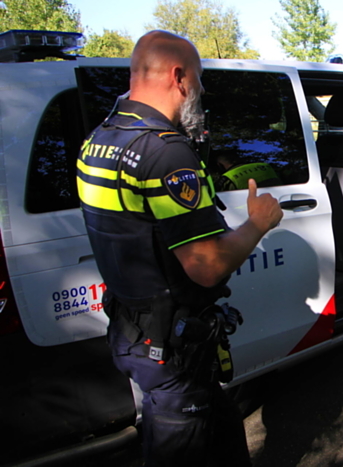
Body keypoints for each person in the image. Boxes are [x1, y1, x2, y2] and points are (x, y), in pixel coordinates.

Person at [76, 31, 282, 466]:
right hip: (171, 353)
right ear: (179, 77)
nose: (202, 90)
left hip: (137, 331)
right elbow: (206, 267)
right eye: (200, 79)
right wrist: (258, 223)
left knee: (223, 439)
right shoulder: (166, 153)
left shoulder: (100, 139)